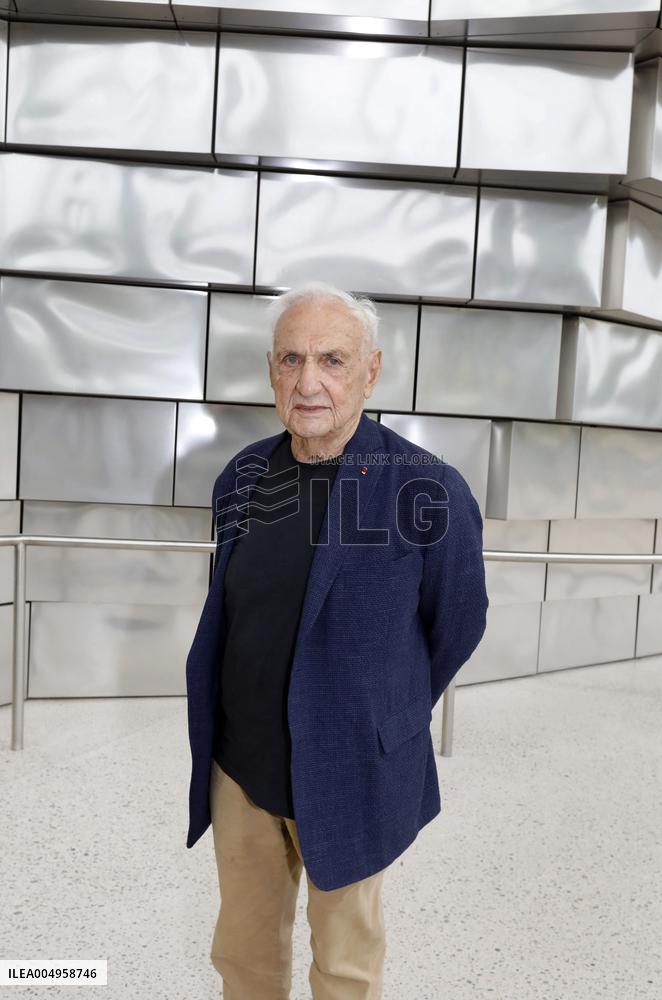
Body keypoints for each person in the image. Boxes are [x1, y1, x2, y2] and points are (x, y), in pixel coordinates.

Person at [185, 281, 489, 999]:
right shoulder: (242, 477)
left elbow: (459, 622)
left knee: (346, 967)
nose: (309, 381)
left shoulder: (425, 488)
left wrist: (388, 711)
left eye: (332, 359)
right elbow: (236, 608)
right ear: (270, 372)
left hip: (352, 767)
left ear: (370, 372)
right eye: (290, 360)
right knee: (244, 956)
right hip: (243, 770)